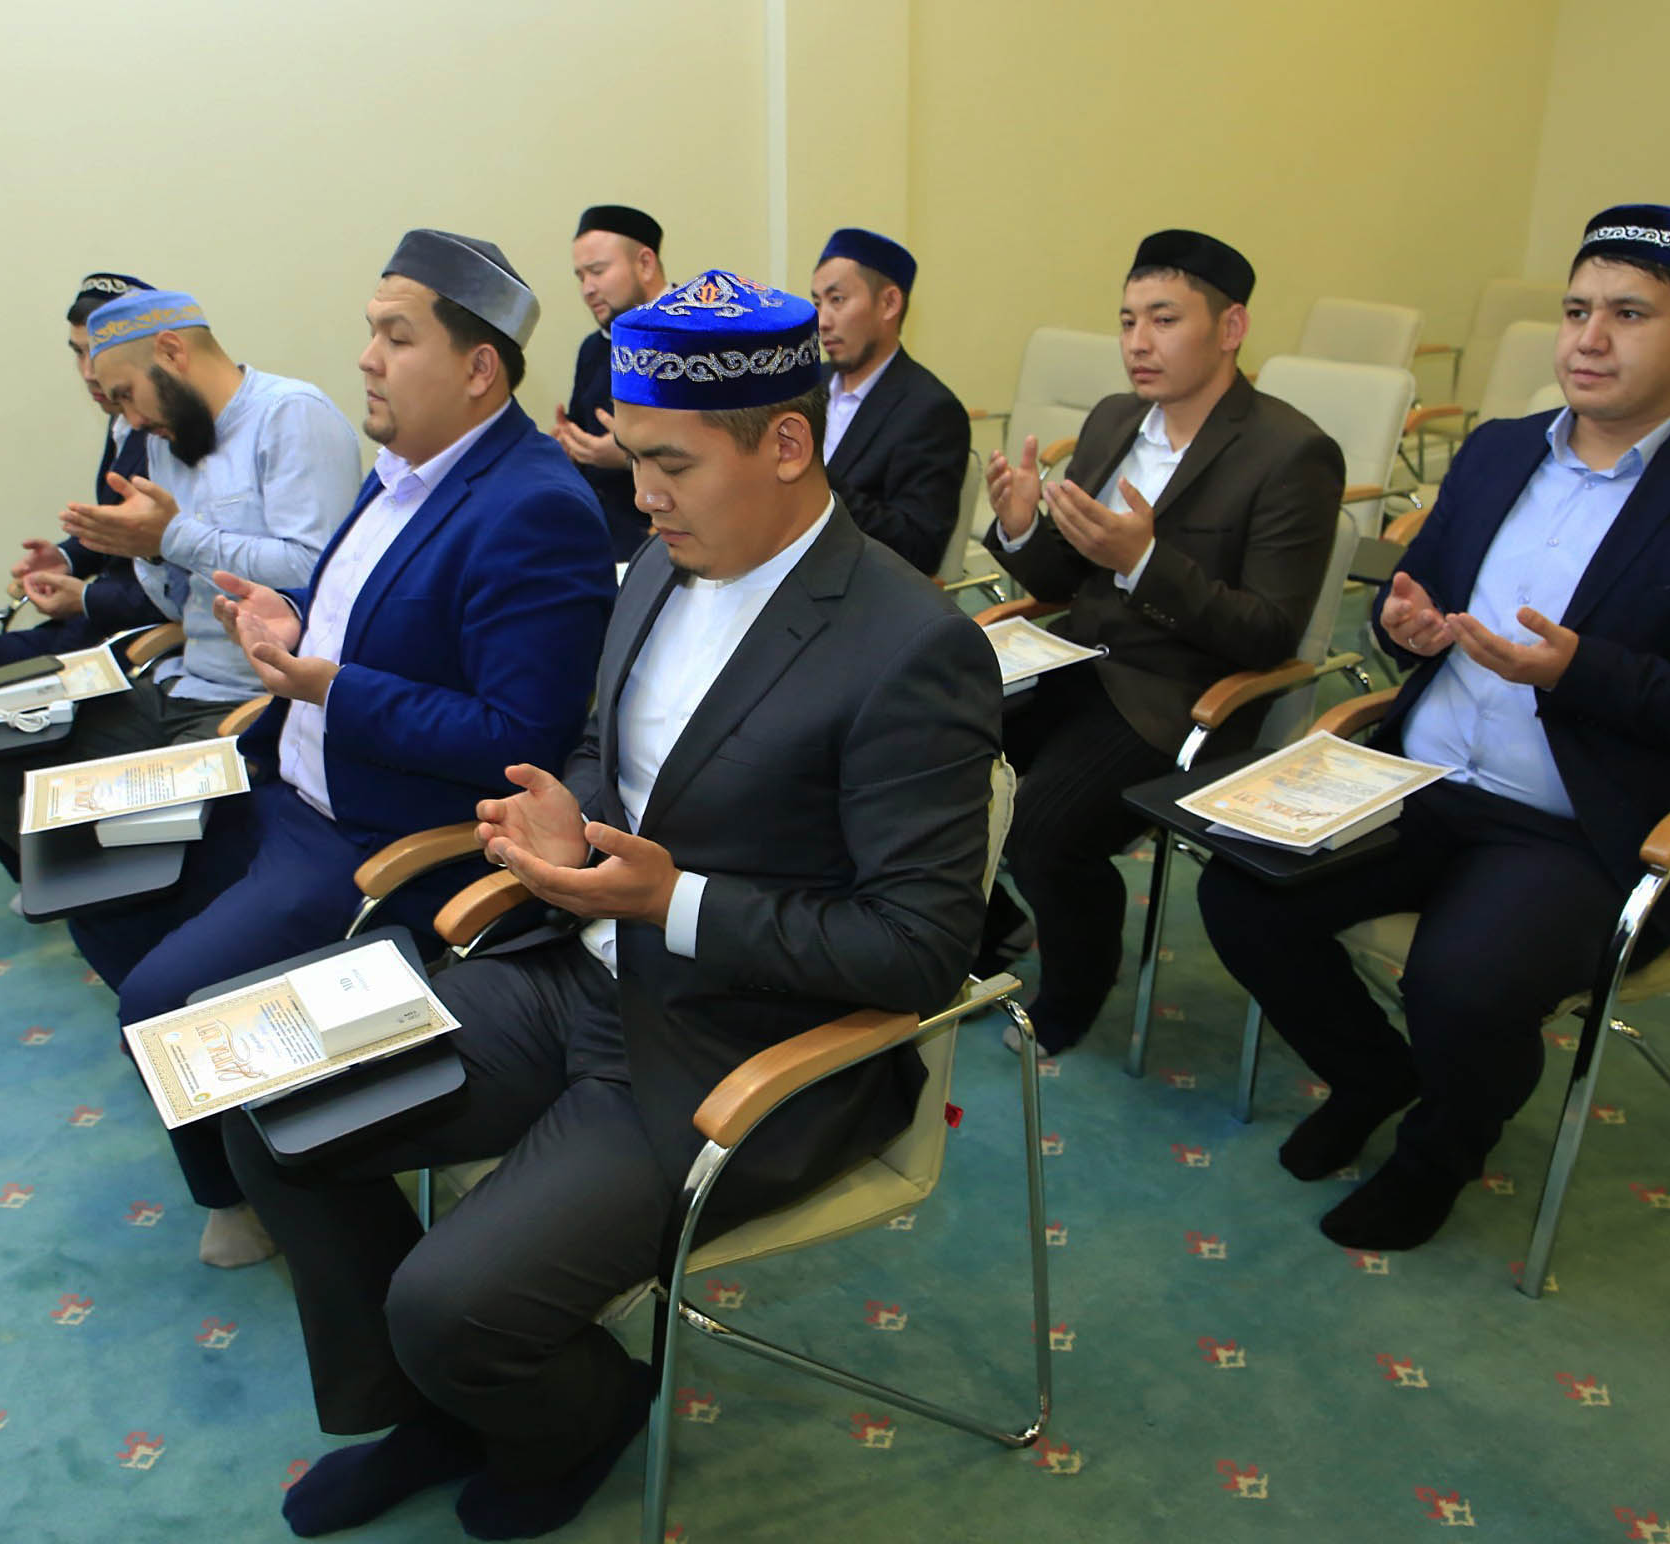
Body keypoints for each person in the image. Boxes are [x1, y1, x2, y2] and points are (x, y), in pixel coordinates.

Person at [223, 270, 1003, 1540]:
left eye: (669, 463)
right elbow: (604, 748)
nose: (639, 493)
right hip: (570, 969)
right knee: (269, 1103)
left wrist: (672, 897)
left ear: (786, 444)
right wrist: (570, 821)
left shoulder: (908, 644)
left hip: (733, 1042)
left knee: (448, 1302)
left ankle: (583, 1410)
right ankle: (434, 1405)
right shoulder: (653, 567)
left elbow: (918, 949)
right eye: (631, 459)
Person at [1195, 204, 1670, 1251]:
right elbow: (1418, 598)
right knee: (1239, 894)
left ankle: (1440, 1152)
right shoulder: (1500, 450)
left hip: (1581, 822)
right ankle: (1375, 1074)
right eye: (1577, 311)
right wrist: (1401, 625)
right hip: (1418, 781)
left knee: (1461, 986)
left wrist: (1583, 672)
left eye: (1628, 315)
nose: (1589, 339)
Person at [66, 232, 616, 1269]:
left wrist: (332, 685)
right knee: (89, 870)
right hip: (286, 782)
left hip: (371, 838)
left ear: (477, 367)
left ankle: (263, 1193)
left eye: (395, 337)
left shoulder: (533, 505)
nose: (366, 357)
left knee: (157, 1000)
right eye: (371, 331)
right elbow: (365, 622)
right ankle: (244, 1119)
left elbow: (518, 739)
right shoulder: (402, 468)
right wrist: (293, 621)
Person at [980, 230, 1343, 1056]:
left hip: (1180, 695)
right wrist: (1022, 525)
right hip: (1077, 658)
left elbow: (1267, 633)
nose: (1138, 343)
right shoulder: (1116, 419)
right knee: (923, 747)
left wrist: (1143, 562)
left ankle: (1074, 991)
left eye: (1164, 319)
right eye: (1127, 320)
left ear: (1231, 327)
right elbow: (1064, 579)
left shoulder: (1290, 452)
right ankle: (988, 931)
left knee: (1043, 830)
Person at [0, 288, 360, 863]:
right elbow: (177, 605)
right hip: (183, 682)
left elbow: (316, 574)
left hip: (262, 703)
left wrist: (171, 537)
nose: (132, 420)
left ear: (172, 352)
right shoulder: (169, 441)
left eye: (127, 395)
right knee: (10, 783)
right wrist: (144, 551)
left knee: (119, 840)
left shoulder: (290, 415)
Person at [0, 273, 170, 872]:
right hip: (84, 622)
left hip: (122, 639)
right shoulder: (122, 419)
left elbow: (178, 576)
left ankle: (45, 871)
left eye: (98, 354)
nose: (88, 373)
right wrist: (64, 558)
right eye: (77, 354)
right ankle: (31, 857)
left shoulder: (166, 427)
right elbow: (118, 529)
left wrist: (83, 599)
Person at [809, 227, 972, 574]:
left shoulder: (930, 411)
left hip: (854, 583)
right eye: (818, 303)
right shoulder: (807, 384)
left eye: (837, 300)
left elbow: (918, 548)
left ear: (889, 304)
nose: (822, 322)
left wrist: (812, 477)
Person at [554, 204, 668, 558]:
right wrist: (569, 446)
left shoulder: (695, 336)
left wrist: (629, 456)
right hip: (592, 535)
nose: (587, 289)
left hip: (660, 541)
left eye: (598, 272)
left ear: (645, 264)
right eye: (580, 277)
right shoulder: (593, 348)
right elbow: (582, 428)